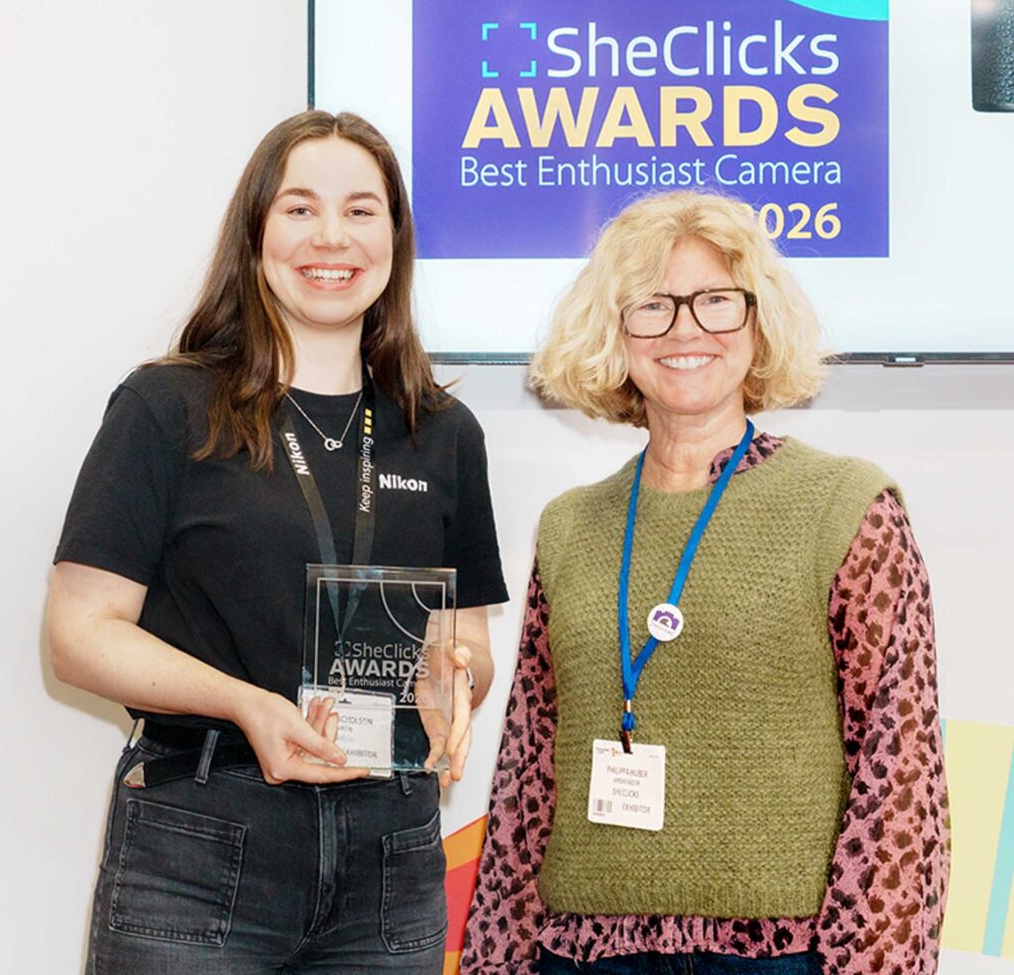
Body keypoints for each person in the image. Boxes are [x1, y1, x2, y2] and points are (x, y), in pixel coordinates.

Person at [48, 109, 507, 974]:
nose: (331, 236)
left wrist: (453, 675)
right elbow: (79, 634)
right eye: (300, 208)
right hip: (203, 835)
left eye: (362, 210)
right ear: (256, 231)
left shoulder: (444, 433)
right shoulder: (167, 408)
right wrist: (246, 703)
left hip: (392, 852)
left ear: (396, 239)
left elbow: (466, 641)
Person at [462, 190, 949, 975]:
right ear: (615, 332)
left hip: (780, 956)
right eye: (652, 305)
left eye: (716, 301)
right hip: (581, 952)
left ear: (758, 323)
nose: (686, 328)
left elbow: (899, 773)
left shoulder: (847, 505)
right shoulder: (570, 526)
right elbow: (528, 772)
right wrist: (498, 959)